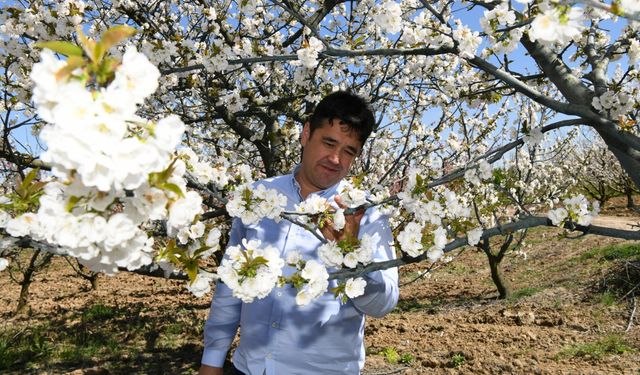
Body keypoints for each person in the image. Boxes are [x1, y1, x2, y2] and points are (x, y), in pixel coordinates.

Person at [199, 91, 399, 375]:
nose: (335, 158)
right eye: (328, 142)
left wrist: (353, 258)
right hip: (249, 367)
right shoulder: (256, 197)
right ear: (306, 133)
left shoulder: (363, 214)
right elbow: (230, 287)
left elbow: (383, 303)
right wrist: (212, 360)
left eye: (348, 151)